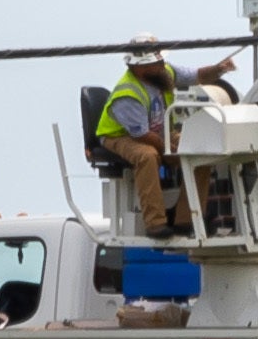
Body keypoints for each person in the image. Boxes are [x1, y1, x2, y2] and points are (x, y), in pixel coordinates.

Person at [94, 36, 237, 240]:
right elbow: (141, 134)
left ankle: (185, 221)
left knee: (200, 151)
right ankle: (155, 224)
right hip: (120, 136)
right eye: (156, 63)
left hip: (156, 132)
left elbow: (196, 75)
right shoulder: (128, 94)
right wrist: (170, 147)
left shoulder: (164, 72)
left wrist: (219, 69)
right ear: (139, 68)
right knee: (148, 155)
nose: (162, 65)